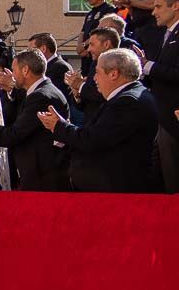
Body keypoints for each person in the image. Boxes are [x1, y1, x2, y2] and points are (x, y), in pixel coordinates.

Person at [38, 48, 158, 193]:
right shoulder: (128, 96)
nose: (94, 78)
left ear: (114, 74)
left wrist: (59, 126)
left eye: (98, 73)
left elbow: (93, 139)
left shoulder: (127, 101)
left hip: (116, 191)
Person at [0, 49, 70, 192]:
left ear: (25, 70)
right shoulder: (43, 91)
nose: (13, 76)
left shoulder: (40, 96)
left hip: (43, 178)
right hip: (41, 174)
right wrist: (12, 90)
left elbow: (14, 135)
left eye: (14, 70)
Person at [148, 0, 179, 193]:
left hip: (174, 119)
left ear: (175, 5)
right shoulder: (168, 34)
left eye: (158, 6)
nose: (153, 12)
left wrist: (150, 67)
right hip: (162, 118)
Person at [79, 0, 118, 76]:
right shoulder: (90, 13)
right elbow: (83, 32)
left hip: (96, 54)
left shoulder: (109, 10)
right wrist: (79, 46)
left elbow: (104, 31)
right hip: (85, 55)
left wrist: (86, 46)